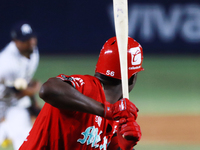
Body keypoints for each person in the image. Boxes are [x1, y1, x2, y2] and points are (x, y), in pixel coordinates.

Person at [19, 36, 144, 150]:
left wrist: (126, 146)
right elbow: (47, 90)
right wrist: (106, 110)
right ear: (132, 78)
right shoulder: (87, 87)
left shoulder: (117, 115)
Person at [0, 21, 41, 150]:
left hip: (13, 103)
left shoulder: (33, 53)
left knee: (25, 141)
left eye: (31, 38)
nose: (31, 42)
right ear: (15, 41)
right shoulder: (5, 62)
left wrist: (33, 104)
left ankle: (7, 130)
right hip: (3, 100)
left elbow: (24, 85)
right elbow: (20, 91)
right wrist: (34, 89)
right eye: (26, 40)